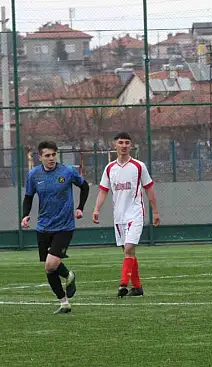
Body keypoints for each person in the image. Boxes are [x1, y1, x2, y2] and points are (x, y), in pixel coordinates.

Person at [21, 141, 90, 314]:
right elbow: (28, 197)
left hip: (64, 226)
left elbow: (85, 186)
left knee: (50, 264)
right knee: (49, 266)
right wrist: (25, 215)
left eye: (53, 155)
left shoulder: (67, 171)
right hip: (43, 226)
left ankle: (67, 278)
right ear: (40, 157)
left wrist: (80, 207)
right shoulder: (34, 175)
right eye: (47, 155)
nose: (51, 158)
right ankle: (64, 301)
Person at [92, 132, 160, 297]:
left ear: (131, 145)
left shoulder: (138, 166)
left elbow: (149, 188)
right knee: (128, 251)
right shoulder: (110, 168)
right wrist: (96, 209)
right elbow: (103, 191)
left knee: (129, 248)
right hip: (119, 216)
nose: (124, 145)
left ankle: (123, 284)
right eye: (121, 142)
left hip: (135, 213)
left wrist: (155, 211)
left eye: (127, 143)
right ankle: (137, 287)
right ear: (115, 145)